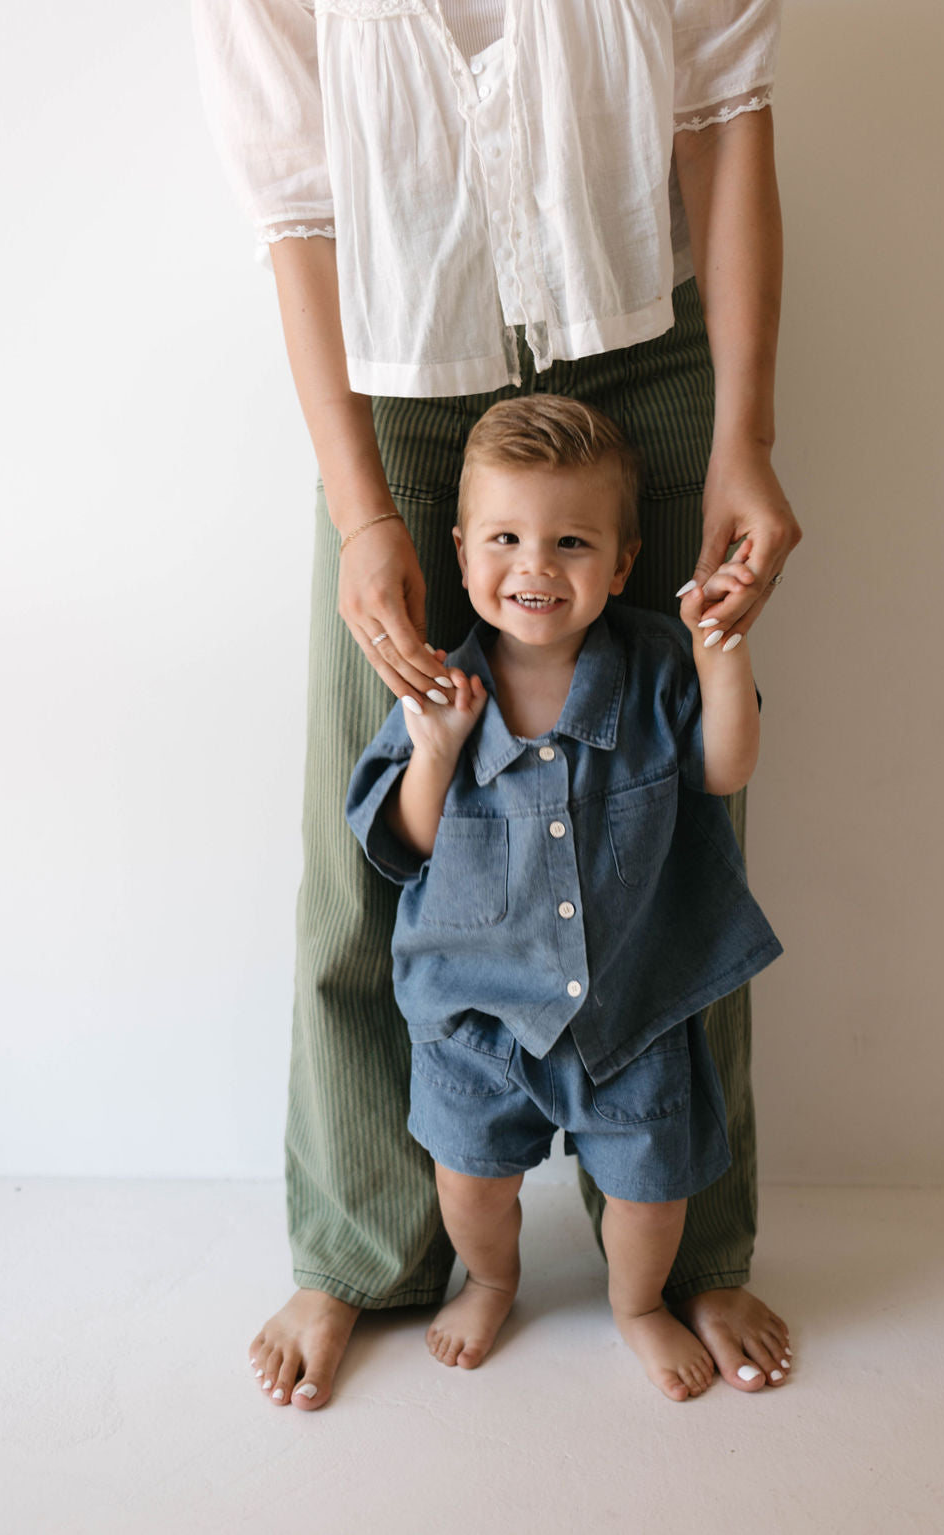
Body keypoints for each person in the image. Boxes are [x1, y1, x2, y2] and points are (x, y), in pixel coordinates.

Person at [192, 0, 801, 1409]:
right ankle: (362, 1251)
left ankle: (691, 1239)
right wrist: (359, 514)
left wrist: (744, 435)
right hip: (396, 369)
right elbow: (300, 217)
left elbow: (725, 118)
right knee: (384, 828)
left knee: (671, 821)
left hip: (648, 335)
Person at [346, 397, 784, 1401]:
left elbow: (724, 769)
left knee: (649, 1192)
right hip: (476, 1017)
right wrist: (436, 754)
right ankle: (492, 1280)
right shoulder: (439, 689)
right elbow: (399, 848)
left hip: (629, 1008)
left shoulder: (657, 669)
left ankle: (636, 1303)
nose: (536, 565)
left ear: (621, 564)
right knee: (472, 1182)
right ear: (461, 554)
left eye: (570, 541)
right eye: (506, 538)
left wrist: (722, 659)